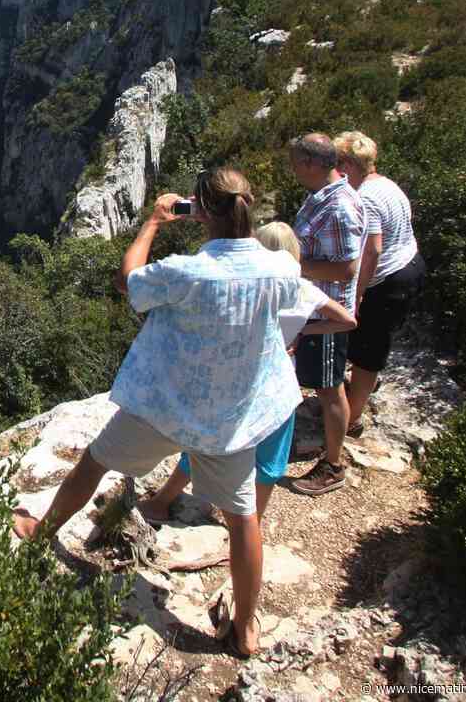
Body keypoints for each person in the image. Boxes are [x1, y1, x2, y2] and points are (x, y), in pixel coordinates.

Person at [12, 168, 302, 659]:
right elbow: (285, 292)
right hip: (231, 419)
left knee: (95, 462)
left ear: (200, 211)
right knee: (242, 518)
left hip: (166, 406)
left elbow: (128, 281)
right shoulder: (280, 269)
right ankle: (246, 628)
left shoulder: (185, 272)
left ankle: (42, 533)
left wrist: (153, 223)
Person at [137, 222, 357, 525]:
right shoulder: (301, 289)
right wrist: (304, 331)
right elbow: (347, 321)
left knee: (204, 448)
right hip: (279, 392)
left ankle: (160, 503)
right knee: (268, 462)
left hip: (235, 384)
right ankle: (251, 528)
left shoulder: (247, 288)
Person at [286, 134, 364, 497]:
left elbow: (347, 270)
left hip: (327, 313)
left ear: (312, 164)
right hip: (315, 308)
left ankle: (333, 465)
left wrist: (293, 265)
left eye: (296, 163)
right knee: (323, 383)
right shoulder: (322, 197)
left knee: (330, 389)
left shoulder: (339, 208)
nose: (293, 170)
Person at [333, 131, 425, 433]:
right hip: (408, 265)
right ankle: (360, 388)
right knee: (371, 342)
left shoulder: (365, 197)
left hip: (387, 281)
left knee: (368, 352)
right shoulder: (386, 184)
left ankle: (352, 419)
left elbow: (372, 249)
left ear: (348, 165)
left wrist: (357, 293)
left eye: (337, 164)